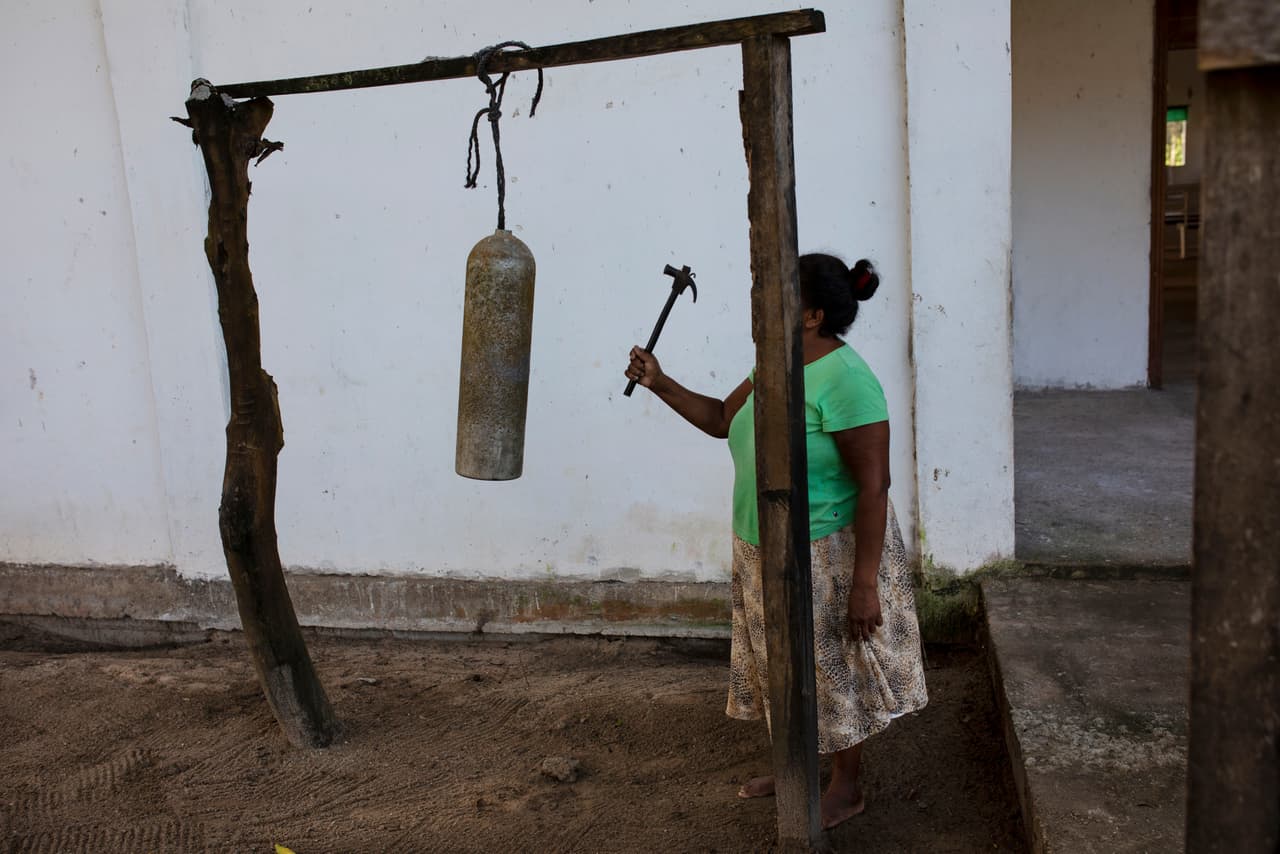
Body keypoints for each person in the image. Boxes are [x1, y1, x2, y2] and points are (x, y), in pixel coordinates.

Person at [624, 253, 928, 830]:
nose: (760, 301)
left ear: (812, 315)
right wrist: (659, 381)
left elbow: (875, 485)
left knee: (833, 667)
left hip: (826, 552)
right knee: (782, 667)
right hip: (761, 544)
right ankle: (796, 769)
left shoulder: (847, 379)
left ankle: (847, 784)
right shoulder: (774, 361)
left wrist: (864, 584)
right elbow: (720, 419)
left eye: (775, 294)